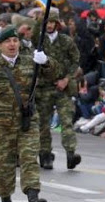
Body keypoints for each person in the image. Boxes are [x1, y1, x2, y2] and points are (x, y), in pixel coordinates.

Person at [0, 25, 51, 202]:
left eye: (15, 40)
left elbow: (53, 74)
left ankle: (33, 199)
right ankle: (5, 201)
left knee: (29, 159)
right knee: (4, 164)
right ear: (0, 45)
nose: (12, 44)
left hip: (27, 121)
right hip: (3, 124)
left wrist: (46, 62)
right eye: (7, 41)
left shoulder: (29, 62)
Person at [32, 12, 82, 170]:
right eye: (47, 23)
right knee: (43, 124)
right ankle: (45, 155)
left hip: (62, 87)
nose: (49, 25)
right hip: (43, 88)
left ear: (57, 24)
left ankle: (70, 153)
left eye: (52, 22)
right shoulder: (39, 40)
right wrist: (41, 17)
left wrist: (66, 79)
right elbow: (33, 33)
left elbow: (75, 61)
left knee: (66, 121)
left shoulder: (66, 41)